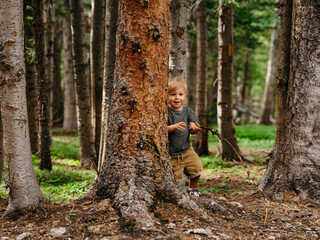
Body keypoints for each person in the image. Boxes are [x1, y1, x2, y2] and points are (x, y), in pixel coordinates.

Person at [167, 77, 203, 197]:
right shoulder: (166, 112)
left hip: (187, 150)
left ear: (185, 96)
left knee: (197, 169)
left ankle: (192, 189)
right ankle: (177, 194)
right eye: (173, 94)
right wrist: (173, 127)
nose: (177, 97)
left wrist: (195, 129)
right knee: (175, 178)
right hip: (172, 154)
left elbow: (192, 128)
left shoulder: (188, 112)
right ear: (167, 96)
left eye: (180, 94)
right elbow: (160, 130)